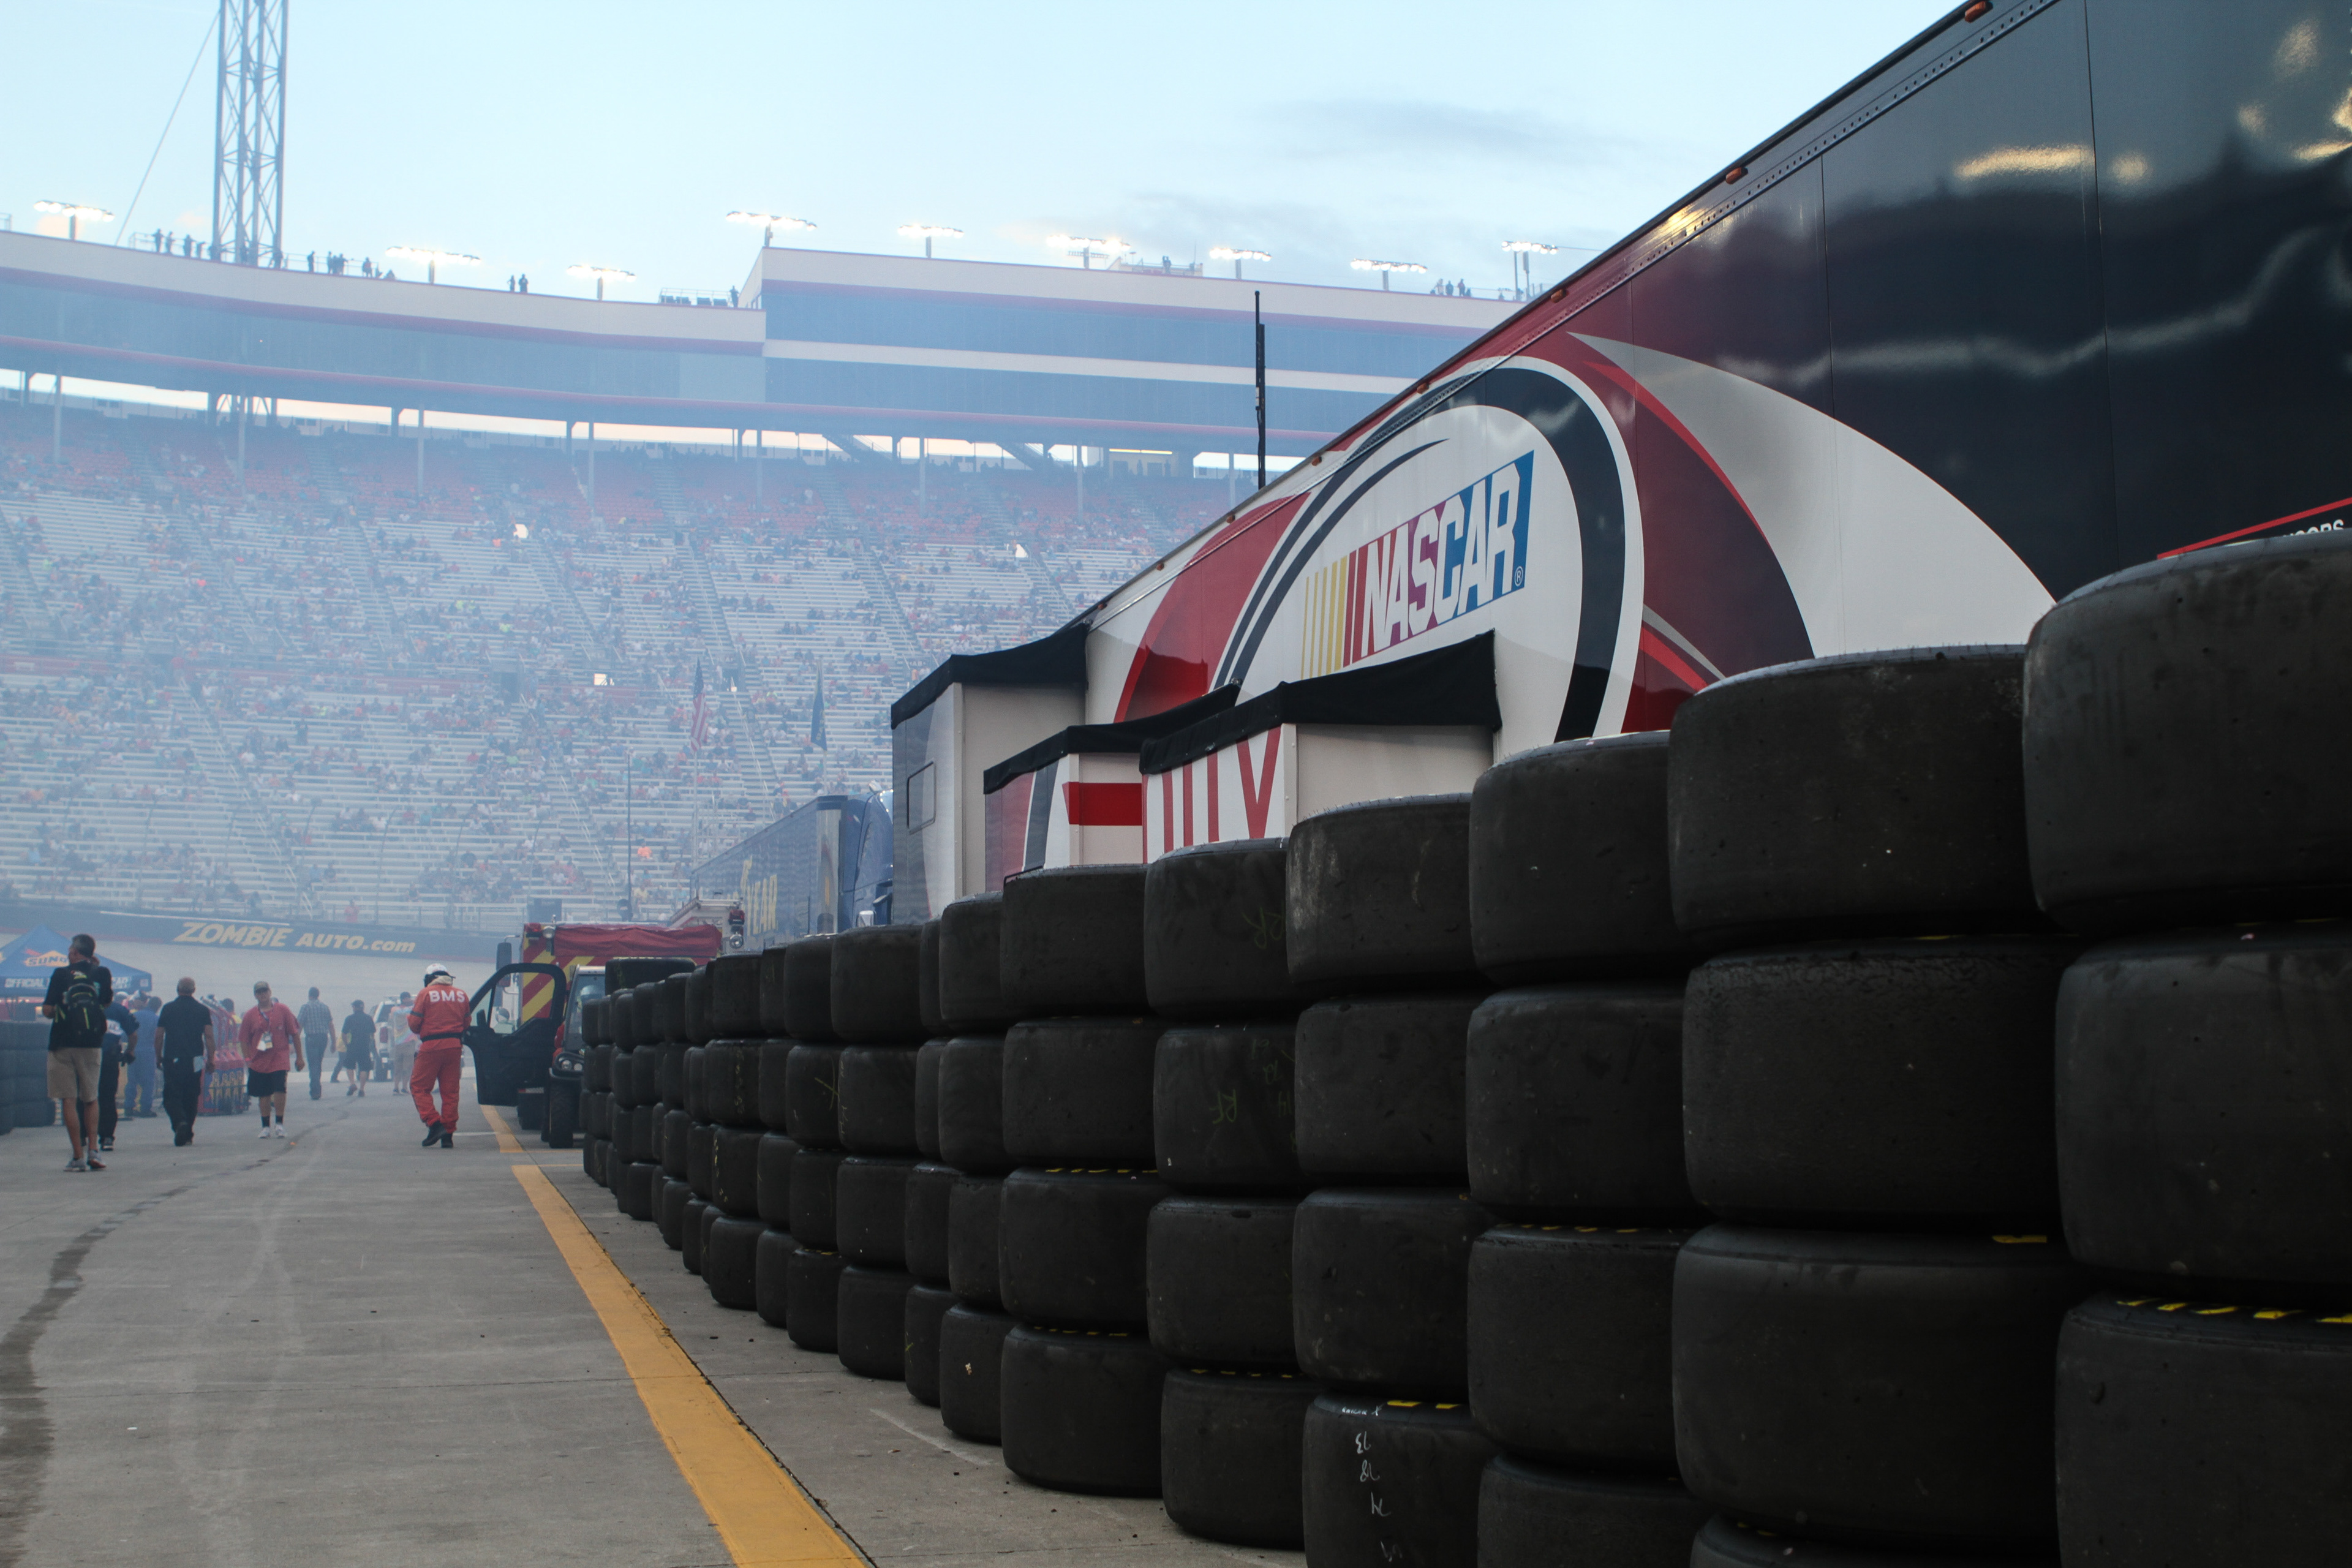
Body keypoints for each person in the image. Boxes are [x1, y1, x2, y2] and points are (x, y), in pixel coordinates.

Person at [40, 934, 111, 1172]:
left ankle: (78, 1157)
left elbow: (47, 1010)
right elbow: (106, 1003)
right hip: (92, 1042)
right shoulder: (103, 973)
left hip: (62, 1043)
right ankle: (94, 1151)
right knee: (91, 1098)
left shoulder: (61, 974)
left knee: (68, 1100)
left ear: (74, 952)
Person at [407, 966, 469, 1148]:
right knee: (450, 1092)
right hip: (454, 1047)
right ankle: (448, 1135)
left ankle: (434, 1124)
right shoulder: (461, 995)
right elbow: (466, 1022)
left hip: (431, 1046)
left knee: (419, 1087)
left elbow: (414, 1024)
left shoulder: (426, 994)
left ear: (429, 979)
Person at [238, 981, 304, 1139]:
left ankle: (279, 1124)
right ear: (255, 995)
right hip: (259, 1060)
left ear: (270, 992)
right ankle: (265, 1126)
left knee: (280, 1089)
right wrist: (247, 1058)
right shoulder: (250, 1015)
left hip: (280, 1057)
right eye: (259, 992)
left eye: (265, 991)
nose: (262, 994)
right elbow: (243, 1039)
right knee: (264, 1093)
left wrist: (300, 1058)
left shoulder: (283, 1010)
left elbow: (295, 1034)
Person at [156, 977, 216, 1146]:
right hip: (196, 1059)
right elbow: (209, 1036)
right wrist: (211, 1059)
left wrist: (158, 1056)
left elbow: (159, 1035)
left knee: (172, 1095)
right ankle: (188, 1131)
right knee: (192, 1094)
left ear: (178, 989)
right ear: (194, 990)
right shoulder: (202, 1010)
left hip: (173, 1058)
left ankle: (180, 1122)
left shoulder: (168, 1009)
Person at [96, 990, 141, 1153]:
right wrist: (130, 1051)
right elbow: (133, 1035)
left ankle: (82, 1136)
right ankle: (107, 1137)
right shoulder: (119, 1010)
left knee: (85, 1097)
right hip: (110, 1058)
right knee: (108, 1098)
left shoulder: (85, 1008)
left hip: (87, 1058)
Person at [123, 993, 160, 1120]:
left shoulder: (135, 1015)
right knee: (148, 1081)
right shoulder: (156, 1019)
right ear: (158, 1008)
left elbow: (125, 1034)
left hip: (133, 1050)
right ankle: (145, 1109)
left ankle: (129, 1107)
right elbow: (159, 1038)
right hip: (148, 1052)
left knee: (132, 1080)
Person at [298, 986, 335, 1099]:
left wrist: (295, 1041)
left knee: (313, 1064)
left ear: (309, 995)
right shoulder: (325, 1007)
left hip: (311, 1038)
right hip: (323, 1038)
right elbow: (331, 1025)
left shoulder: (305, 1007)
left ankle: (315, 1090)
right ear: (318, 995)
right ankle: (317, 1088)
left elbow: (299, 1025)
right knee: (318, 1063)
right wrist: (334, 1042)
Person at [339, 998, 375, 1096]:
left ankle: (352, 1084)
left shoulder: (350, 1019)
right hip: (365, 1046)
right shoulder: (368, 1018)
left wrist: (347, 1044)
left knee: (349, 1066)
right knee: (364, 1068)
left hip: (353, 1045)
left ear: (355, 1008)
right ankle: (362, 1089)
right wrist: (370, 1043)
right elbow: (372, 1033)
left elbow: (344, 1033)